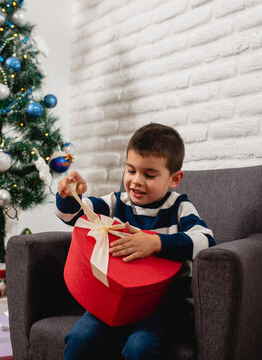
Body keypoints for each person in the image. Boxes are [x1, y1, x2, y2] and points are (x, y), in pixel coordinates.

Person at [56, 122, 215, 360]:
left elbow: (206, 240)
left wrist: (155, 243)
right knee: (81, 338)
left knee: (140, 346)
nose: (136, 181)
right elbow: (74, 215)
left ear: (175, 178)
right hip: (113, 299)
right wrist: (70, 195)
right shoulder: (116, 202)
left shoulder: (179, 207)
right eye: (131, 171)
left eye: (149, 175)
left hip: (161, 305)